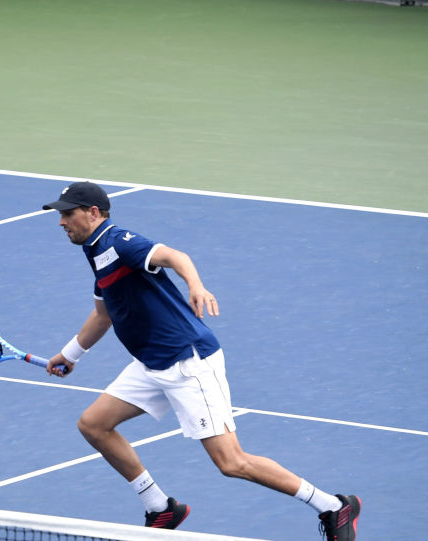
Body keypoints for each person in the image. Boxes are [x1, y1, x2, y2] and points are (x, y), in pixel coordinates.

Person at [41, 181, 360, 539]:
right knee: (94, 425)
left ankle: (333, 506)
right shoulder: (96, 253)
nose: (61, 222)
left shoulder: (119, 242)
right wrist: (70, 355)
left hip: (187, 362)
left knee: (232, 462)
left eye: (67, 214)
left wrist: (195, 285)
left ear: (93, 213)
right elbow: (103, 315)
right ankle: (160, 507)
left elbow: (176, 257)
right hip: (151, 364)